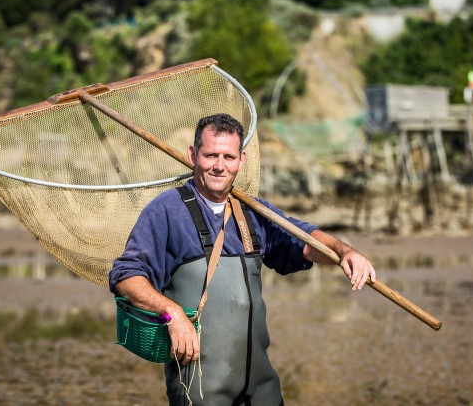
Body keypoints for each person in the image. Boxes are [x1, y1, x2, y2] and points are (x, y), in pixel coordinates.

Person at [110, 113, 375, 405]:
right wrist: (172, 313)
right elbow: (126, 276)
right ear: (192, 154)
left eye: (228, 156)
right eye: (211, 155)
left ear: (242, 160)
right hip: (200, 388)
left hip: (261, 387)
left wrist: (345, 253)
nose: (220, 166)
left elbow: (306, 240)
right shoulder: (166, 211)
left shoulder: (251, 211)